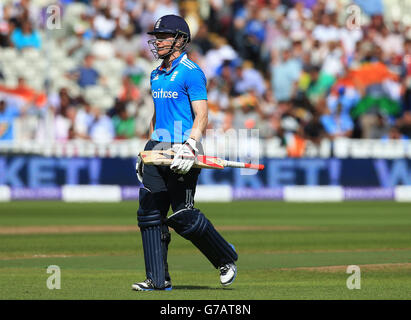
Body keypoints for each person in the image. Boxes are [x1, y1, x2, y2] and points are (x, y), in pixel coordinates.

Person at [132, 15, 238, 291]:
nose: (158, 42)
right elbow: (156, 117)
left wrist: (190, 145)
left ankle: (225, 257)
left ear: (180, 39)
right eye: (156, 37)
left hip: (184, 147)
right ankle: (158, 280)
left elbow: (202, 115)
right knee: (149, 213)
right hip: (158, 148)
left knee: (181, 215)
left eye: (164, 36)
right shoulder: (155, 73)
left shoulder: (191, 71)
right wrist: (146, 151)